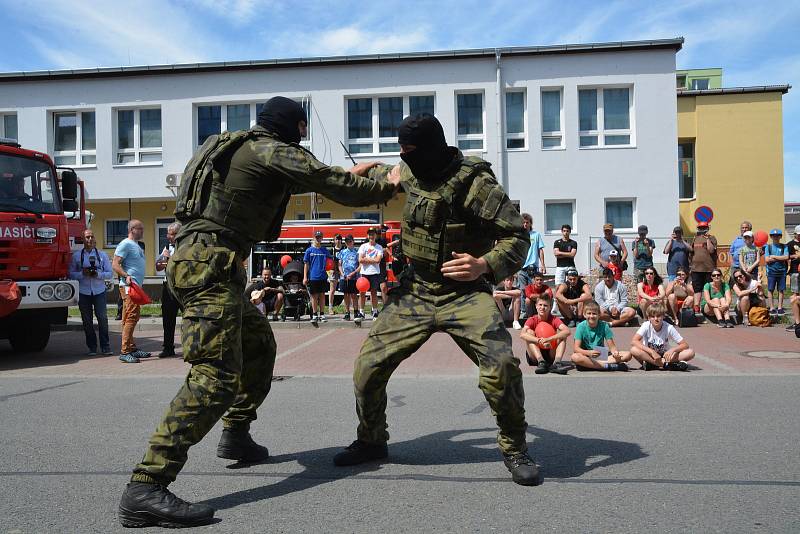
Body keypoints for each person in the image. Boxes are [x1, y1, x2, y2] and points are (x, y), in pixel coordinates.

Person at [119, 96, 401, 528]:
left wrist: (342, 173)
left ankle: (235, 434)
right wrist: (388, 182)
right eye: (303, 129)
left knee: (259, 346)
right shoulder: (273, 149)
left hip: (205, 262)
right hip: (211, 266)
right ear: (294, 125)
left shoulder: (236, 146)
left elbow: (297, 178)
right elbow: (332, 185)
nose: (304, 136)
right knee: (214, 377)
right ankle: (146, 484)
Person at [331, 113, 540, 487]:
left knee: (501, 366)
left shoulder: (476, 183)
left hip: (464, 293)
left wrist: (484, 264)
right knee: (368, 368)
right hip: (417, 289)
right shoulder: (407, 172)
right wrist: (354, 174)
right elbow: (373, 180)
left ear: (431, 148)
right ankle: (371, 440)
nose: (404, 157)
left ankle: (514, 446)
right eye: (401, 151)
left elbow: (516, 237)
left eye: (410, 150)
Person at [68, 228, 113, 356]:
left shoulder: (102, 255)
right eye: (87, 237)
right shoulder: (77, 256)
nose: (90, 239)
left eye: (92, 237)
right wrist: (83, 273)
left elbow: (109, 274)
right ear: (83, 239)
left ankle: (105, 346)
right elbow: (70, 274)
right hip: (84, 292)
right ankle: (92, 347)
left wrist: (97, 274)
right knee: (87, 321)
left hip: (99, 291)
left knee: (103, 319)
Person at [112, 220, 150, 363]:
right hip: (129, 287)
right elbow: (115, 264)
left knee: (129, 317)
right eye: (140, 228)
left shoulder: (136, 245)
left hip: (135, 286)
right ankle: (125, 351)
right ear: (132, 229)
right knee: (131, 317)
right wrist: (126, 275)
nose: (142, 231)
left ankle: (132, 348)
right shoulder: (125, 244)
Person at [630, 304, 694, 371]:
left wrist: (672, 350)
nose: (656, 319)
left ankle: (653, 364)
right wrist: (652, 352)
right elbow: (634, 341)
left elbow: (685, 345)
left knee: (690, 352)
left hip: (666, 356)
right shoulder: (646, 325)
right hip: (649, 355)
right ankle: (666, 365)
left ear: (663, 316)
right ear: (648, 318)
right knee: (634, 350)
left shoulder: (669, 327)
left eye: (658, 316)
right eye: (652, 316)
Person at [570, 301, 631, 371]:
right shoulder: (581, 326)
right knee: (575, 357)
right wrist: (589, 352)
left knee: (628, 354)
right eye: (589, 313)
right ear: (584, 315)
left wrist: (615, 353)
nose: (591, 316)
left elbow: (612, 347)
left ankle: (590, 365)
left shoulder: (604, 325)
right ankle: (608, 366)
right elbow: (576, 349)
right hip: (586, 355)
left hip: (600, 354)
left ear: (599, 315)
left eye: (594, 314)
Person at [520, 294, 570, 375]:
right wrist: (539, 340)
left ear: (550, 307)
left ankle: (557, 363)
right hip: (535, 355)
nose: (542, 307)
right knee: (529, 333)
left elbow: (567, 331)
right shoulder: (532, 319)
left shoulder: (554, 319)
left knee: (562, 335)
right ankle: (541, 361)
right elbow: (522, 334)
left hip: (550, 351)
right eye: (540, 305)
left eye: (545, 305)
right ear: (536, 306)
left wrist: (549, 339)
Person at [155, 222, 181, 357]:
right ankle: (168, 348)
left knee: (188, 317)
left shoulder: (185, 247)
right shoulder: (166, 247)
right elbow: (158, 266)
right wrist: (165, 258)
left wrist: (169, 260)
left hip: (182, 287)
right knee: (168, 318)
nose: (168, 236)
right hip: (168, 287)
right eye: (168, 233)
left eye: (171, 234)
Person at [517, 212, 545, 318]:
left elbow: (540, 250)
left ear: (530, 223)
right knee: (523, 291)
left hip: (533, 268)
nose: (525, 224)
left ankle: (535, 313)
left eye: (527, 222)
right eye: (523, 222)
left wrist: (543, 265)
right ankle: (524, 312)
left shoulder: (536, 235)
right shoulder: (518, 236)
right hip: (521, 268)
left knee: (534, 291)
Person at [303, 230, 331, 326]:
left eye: (320, 237)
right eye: (316, 237)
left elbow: (330, 263)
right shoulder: (309, 250)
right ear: (313, 238)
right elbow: (306, 265)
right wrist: (305, 277)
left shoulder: (324, 250)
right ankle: (314, 314)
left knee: (322, 295)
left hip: (323, 276)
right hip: (313, 277)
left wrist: (330, 271)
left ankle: (322, 314)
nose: (318, 239)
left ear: (322, 238)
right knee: (314, 296)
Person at [689, 221, 717, 314]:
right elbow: (691, 251)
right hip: (696, 268)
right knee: (697, 289)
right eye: (700, 228)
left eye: (704, 228)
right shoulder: (695, 238)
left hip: (708, 268)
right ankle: (696, 307)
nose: (702, 230)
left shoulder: (712, 238)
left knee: (708, 288)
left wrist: (708, 239)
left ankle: (707, 306)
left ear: (707, 228)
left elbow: (711, 250)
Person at [357, 227, 384, 322]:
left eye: (373, 234)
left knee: (374, 293)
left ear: (376, 235)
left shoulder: (379, 247)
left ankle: (375, 312)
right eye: (370, 234)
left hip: (374, 273)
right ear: (367, 235)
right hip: (364, 273)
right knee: (362, 293)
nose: (371, 236)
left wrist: (366, 259)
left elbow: (378, 260)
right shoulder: (363, 246)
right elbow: (360, 259)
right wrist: (372, 260)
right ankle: (361, 312)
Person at [764, 228, 789, 315]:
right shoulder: (768, 247)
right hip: (771, 271)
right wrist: (779, 258)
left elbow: (786, 257)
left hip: (782, 271)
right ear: (771, 237)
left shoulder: (784, 246)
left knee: (781, 290)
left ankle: (780, 307)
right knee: (770, 289)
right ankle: (771, 307)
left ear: (780, 237)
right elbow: (767, 259)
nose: (775, 237)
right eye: (773, 236)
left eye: (777, 236)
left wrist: (773, 256)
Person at [337, 234, 361, 321]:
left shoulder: (357, 252)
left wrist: (354, 273)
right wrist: (342, 274)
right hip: (344, 277)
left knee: (354, 295)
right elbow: (339, 264)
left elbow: (360, 265)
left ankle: (355, 312)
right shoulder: (342, 252)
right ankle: (347, 313)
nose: (348, 243)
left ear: (353, 241)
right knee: (346, 295)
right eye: (347, 241)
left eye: (350, 241)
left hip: (354, 277)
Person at [728, 220, 752, 285]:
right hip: (735, 266)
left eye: (746, 227)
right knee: (735, 284)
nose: (744, 229)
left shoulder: (753, 239)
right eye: (742, 228)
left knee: (746, 283)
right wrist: (732, 264)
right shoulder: (736, 240)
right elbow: (730, 252)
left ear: (750, 229)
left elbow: (761, 248)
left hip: (747, 267)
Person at [786, 225, 800, 331]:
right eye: (799, 234)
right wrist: (794, 256)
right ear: (795, 234)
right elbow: (786, 256)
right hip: (795, 271)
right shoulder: (790, 244)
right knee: (795, 294)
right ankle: (797, 322)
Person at [328, 233, 344, 316]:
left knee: (346, 289)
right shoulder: (332, 250)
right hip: (333, 271)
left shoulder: (344, 249)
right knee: (332, 290)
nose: (338, 241)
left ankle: (348, 306)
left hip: (342, 271)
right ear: (334, 240)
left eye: (339, 239)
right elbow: (328, 261)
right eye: (336, 239)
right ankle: (330, 307)